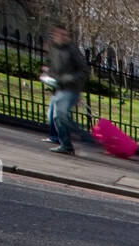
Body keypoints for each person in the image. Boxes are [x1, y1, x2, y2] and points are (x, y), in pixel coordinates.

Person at [45, 26, 88, 155]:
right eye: (61, 35)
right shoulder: (54, 50)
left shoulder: (72, 50)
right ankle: (70, 139)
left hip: (71, 89)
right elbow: (55, 70)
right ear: (54, 35)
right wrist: (48, 74)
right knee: (53, 116)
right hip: (60, 88)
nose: (64, 37)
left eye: (66, 35)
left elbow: (84, 70)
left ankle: (74, 141)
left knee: (59, 115)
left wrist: (68, 79)